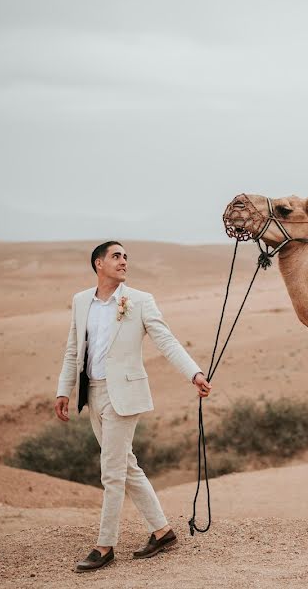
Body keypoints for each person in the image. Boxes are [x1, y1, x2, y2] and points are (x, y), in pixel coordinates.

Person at [55, 240, 213, 573]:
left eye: (126, 256)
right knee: (125, 466)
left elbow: (165, 341)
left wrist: (194, 372)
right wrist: (63, 391)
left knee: (111, 471)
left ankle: (104, 545)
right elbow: (73, 350)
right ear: (99, 264)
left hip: (124, 397)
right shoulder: (81, 301)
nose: (124, 261)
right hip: (93, 393)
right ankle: (163, 531)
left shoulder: (140, 301)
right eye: (116, 256)